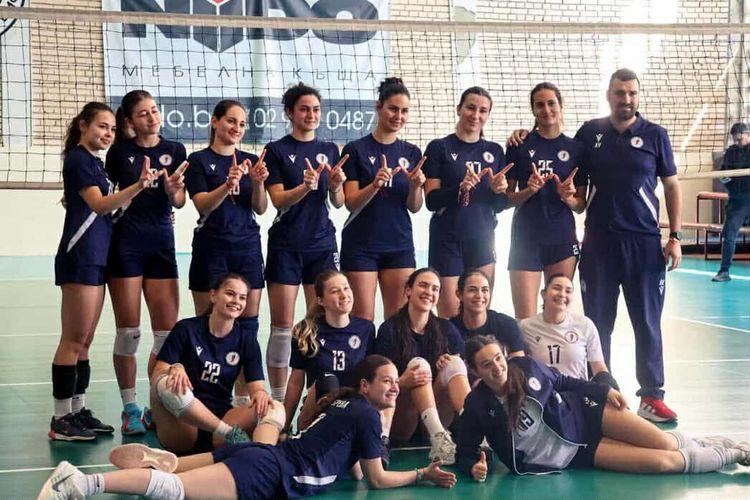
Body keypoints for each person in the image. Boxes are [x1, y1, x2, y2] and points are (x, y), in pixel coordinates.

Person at [509, 68, 683, 422]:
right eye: (620, 93)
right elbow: (556, 149)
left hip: (644, 243)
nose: (626, 99)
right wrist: (523, 135)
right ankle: (601, 393)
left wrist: (675, 237)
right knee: (598, 324)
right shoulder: (590, 134)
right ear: (609, 95)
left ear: (638, 95)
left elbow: (671, 186)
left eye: (632, 93)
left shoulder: (655, 135)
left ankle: (652, 395)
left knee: (647, 323)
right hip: (599, 244)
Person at [40, 355, 457, 500]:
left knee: (174, 473)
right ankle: (81, 482)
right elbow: (377, 479)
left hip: (263, 454)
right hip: (268, 471)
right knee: (174, 490)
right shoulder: (364, 413)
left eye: (395, 382)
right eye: (386, 382)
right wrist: (421, 473)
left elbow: (354, 470)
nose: (394, 387)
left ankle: (153, 463)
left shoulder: (350, 406)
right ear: (365, 386)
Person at [456, 335, 749, 480]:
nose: (497, 368)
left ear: (505, 354)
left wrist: (605, 390)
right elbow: (465, 451)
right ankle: (735, 454)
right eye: (486, 364)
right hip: (577, 453)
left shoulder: (526, 367)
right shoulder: (477, 406)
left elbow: (564, 381)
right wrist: (474, 466)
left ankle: (715, 445)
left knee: (665, 442)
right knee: (664, 463)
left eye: (498, 358)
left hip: (586, 414)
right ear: (475, 371)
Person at [50, 102, 156, 441]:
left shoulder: (95, 163)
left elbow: (109, 210)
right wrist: (137, 186)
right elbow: (98, 205)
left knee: (84, 342)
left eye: (112, 129)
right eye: (101, 126)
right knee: (72, 340)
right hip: (80, 256)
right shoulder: (79, 159)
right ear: (83, 125)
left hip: (97, 256)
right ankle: (60, 419)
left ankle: (77, 410)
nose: (108, 134)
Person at [106, 90, 189, 435]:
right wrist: (138, 186)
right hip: (126, 245)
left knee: (166, 336)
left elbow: (180, 201)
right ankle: (130, 408)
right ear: (130, 121)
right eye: (143, 114)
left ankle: (156, 407)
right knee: (129, 333)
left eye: (154, 111)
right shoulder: (119, 152)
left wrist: (172, 191)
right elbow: (108, 199)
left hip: (161, 246)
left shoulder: (175, 150)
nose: (152, 117)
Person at [264, 83, 348, 403]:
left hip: (321, 244)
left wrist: (336, 185)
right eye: (303, 109)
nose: (311, 115)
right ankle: (277, 400)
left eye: (315, 109)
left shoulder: (330, 149)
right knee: (282, 326)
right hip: (286, 245)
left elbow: (338, 201)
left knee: (321, 322)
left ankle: (319, 395)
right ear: (290, 113)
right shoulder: (276, 150)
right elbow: (277, 200)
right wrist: (304, 186)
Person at [150, 273, 280, 454]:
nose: (236, 301)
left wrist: (261, 395)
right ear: (213, 295)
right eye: (230, 294)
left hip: (221, 423)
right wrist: (174, 368)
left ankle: (263, 458)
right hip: (184, 427)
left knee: (275, 409)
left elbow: (256, 388)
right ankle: (227, 433)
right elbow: (158, 373)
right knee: (166, 383)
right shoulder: (186, 329)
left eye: (242, 297)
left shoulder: (246, 340)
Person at [341, 77, 426, 322]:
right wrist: (374, 185)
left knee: (398, 320)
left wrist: (415, 187)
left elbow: (415, 207)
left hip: (398, 244)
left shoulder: (412, 152)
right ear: (379, 107)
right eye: (393, 109)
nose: (398, 116)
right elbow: (350, 202)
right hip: (361, 245)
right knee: (362, 319)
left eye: (404, 111)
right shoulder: (355, 149)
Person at [423, 87, 510, 317]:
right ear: (459, 109)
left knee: (479, 313)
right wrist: (460, 189)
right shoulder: (439, 147)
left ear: (488, 115)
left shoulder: (494, 151)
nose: (476, 115)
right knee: (450, 315)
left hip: (482, 238)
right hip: (447, 239)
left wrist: (497, 191)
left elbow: (499, 205)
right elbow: (431, 200)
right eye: (471, 108)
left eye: (483, 110)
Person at [505, 82, 587, 319]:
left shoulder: (576, 149)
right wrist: (528, 190)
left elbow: (580, 205)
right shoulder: (519, 146)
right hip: (525, 239)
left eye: (551, 103)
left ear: (561, 106)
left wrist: (568, 197)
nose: (546, 109)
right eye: (539, 105)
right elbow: (506, 200)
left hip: (561, 239)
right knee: (525, 320)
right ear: (533, 110)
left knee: (557, 316)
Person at [374, 268, 470, 465]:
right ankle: (439, 438)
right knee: (419, 365)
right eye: (423, 285)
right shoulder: (389, 329)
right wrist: (402, 381)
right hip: (402, 420)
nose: (429, 292)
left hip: (437, 417)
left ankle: (474, 431)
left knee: (455, 362)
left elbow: (462, 372)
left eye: (435, 288)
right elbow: (377, 385)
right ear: (408, 290)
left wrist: (445, 365)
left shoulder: (446, 329)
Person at [183, 99, 268, 322]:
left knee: (248, 322)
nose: (237, 128)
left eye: (242, 124)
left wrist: (258, 183)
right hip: (211, 247)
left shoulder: (251, 160)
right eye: (231, 121)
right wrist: (227, 185)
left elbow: (260, 208)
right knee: (207, 321)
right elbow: (203, 205)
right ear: (214, 122)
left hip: (247, 248)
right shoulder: (198, 160)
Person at [284, 270, 375, 433]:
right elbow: (295, 382)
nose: (344, 295)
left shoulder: (366, 329)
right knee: (328, 380)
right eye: (335, 291)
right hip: (318, 411)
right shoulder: (306, 331)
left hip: (353, 409)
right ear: (321, 300)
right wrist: (284, 427)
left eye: (346, 288)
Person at [519, 274, 615, 387]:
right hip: (542, 392)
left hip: (577, 392)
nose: (562, 294)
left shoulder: (585, 325)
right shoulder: (525, 327)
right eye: (557, 288)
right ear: (543, 294)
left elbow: (599, 369)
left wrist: (612, 390)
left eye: (568, 291)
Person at [450, 269, 525, 368]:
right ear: (459, 294)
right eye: (472, 290)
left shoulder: (507, 324)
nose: (479, 295)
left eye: (484, 290)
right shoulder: (449, 329)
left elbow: (520, 366)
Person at [712, 122, 750, 282]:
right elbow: (723, 173)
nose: (737, 142)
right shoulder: (731, 152)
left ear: (748, 135)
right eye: (735, 139)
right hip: (737, 200)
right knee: (729, 235)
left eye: (740, 139)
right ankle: (724, 271)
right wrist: (727, 181)